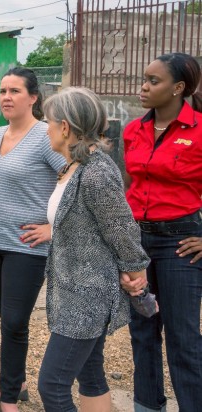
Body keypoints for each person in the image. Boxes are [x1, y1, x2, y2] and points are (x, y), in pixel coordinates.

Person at [37, 87, 150, 412]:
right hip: (72, 290)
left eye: (49, 122)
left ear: (65, 127)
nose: (45, 129)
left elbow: (122, 229)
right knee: (89, 372)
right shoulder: (73, 167)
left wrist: (136, 273)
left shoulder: (96, 172)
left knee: (53, 385)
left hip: (87, 296)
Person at [0, 68, 66, 411]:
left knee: (15, 320)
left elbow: (74, 177)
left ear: (33, 98)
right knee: (9, 318)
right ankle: (17, 383)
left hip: (26, 246)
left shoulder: (46, 136)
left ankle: (9, 399)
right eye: (2, 91)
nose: (6, 97)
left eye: (15, 90)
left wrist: (53, 228)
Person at [121, 52, 202, 412]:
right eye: (144, 78)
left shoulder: (199, 130)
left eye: (154, 81)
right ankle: (147, 405)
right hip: (137, 242)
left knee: (183, 339)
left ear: (178, 88)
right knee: (142, 333)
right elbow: (129, 184)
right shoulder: (132, 130)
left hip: (180, 244)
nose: (144, 87)